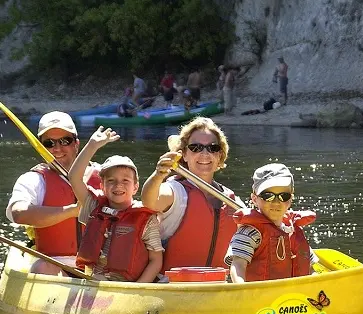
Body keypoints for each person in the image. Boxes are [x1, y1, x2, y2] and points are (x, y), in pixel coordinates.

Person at [141, 117, 244, 273]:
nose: (205, 153)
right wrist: (157, 175)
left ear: (219, 156)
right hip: (175, 288)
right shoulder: (175, 191)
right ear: (184, 155)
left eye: (212, 148)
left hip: (220, 287)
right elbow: (150, 201)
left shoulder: (231, 199)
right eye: (196, 148)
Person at [5, 111, 101, 275]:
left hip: (100, 267)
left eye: (65, 141)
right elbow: (19, 214)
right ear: (41, 147)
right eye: (49, 143)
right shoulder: (33, 179)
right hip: (54, 265)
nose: (57, 148)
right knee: (41, 267)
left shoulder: (106, 174)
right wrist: (73, 211)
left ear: (76, 144)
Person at [68, 127, 163, 282]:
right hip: (94, 283)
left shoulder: (146, 219)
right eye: (111, 181)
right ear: (102, 186)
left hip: (128, 287)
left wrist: (137, 289)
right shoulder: (93, 206)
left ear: (135, 187)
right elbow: (74, 177)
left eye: (125, 181)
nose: (118, 185)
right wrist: (92, 145)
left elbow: (156, 260)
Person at [227, 163, 316, 283]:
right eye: (268, 196)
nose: (275, 202)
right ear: (254, 199)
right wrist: (242, 290)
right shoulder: (249, 232)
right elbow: (238, 264)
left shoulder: (293, 231)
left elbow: (310, 269)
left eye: (283, 196)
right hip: (258, 297)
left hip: (294, 298)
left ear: (290, 200)